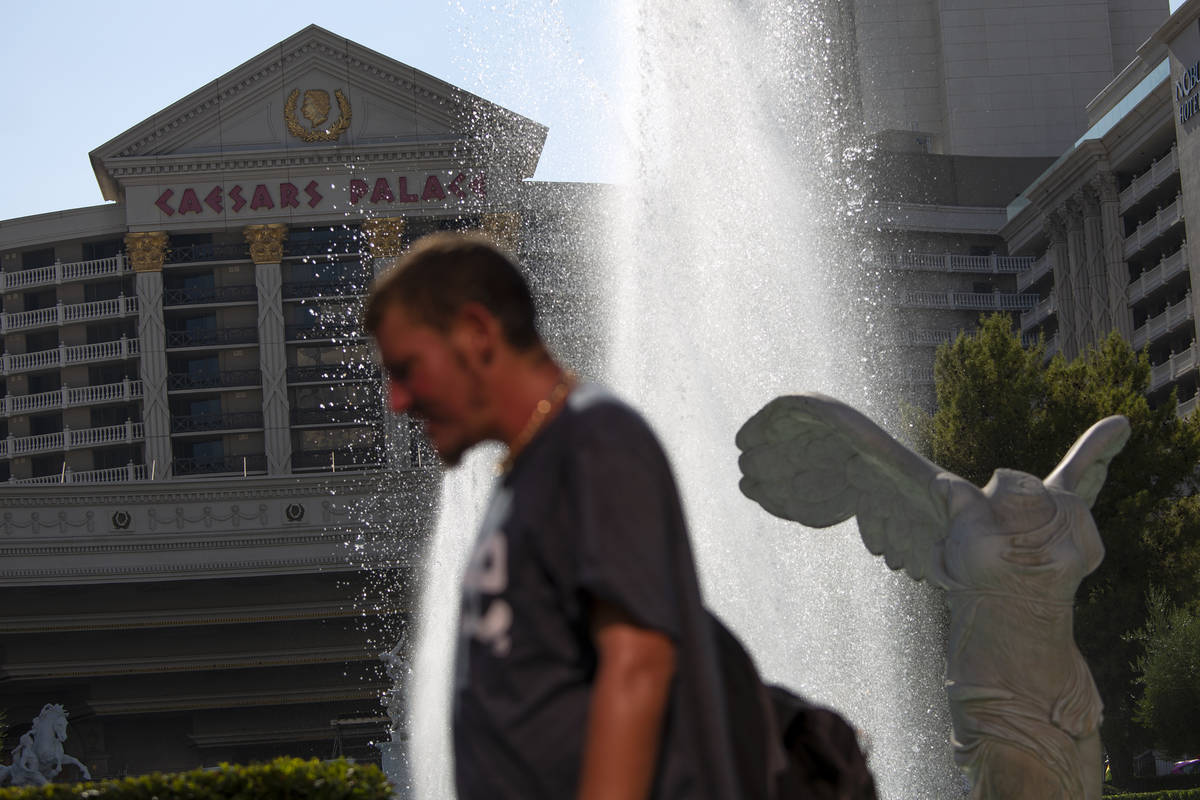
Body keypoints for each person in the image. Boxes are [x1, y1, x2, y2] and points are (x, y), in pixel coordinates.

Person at [364, 232, 742, 800]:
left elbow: (638, 666)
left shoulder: (596, 443)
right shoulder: (529, 473)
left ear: (476, 334)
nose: (396, 399)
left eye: (408, 368)